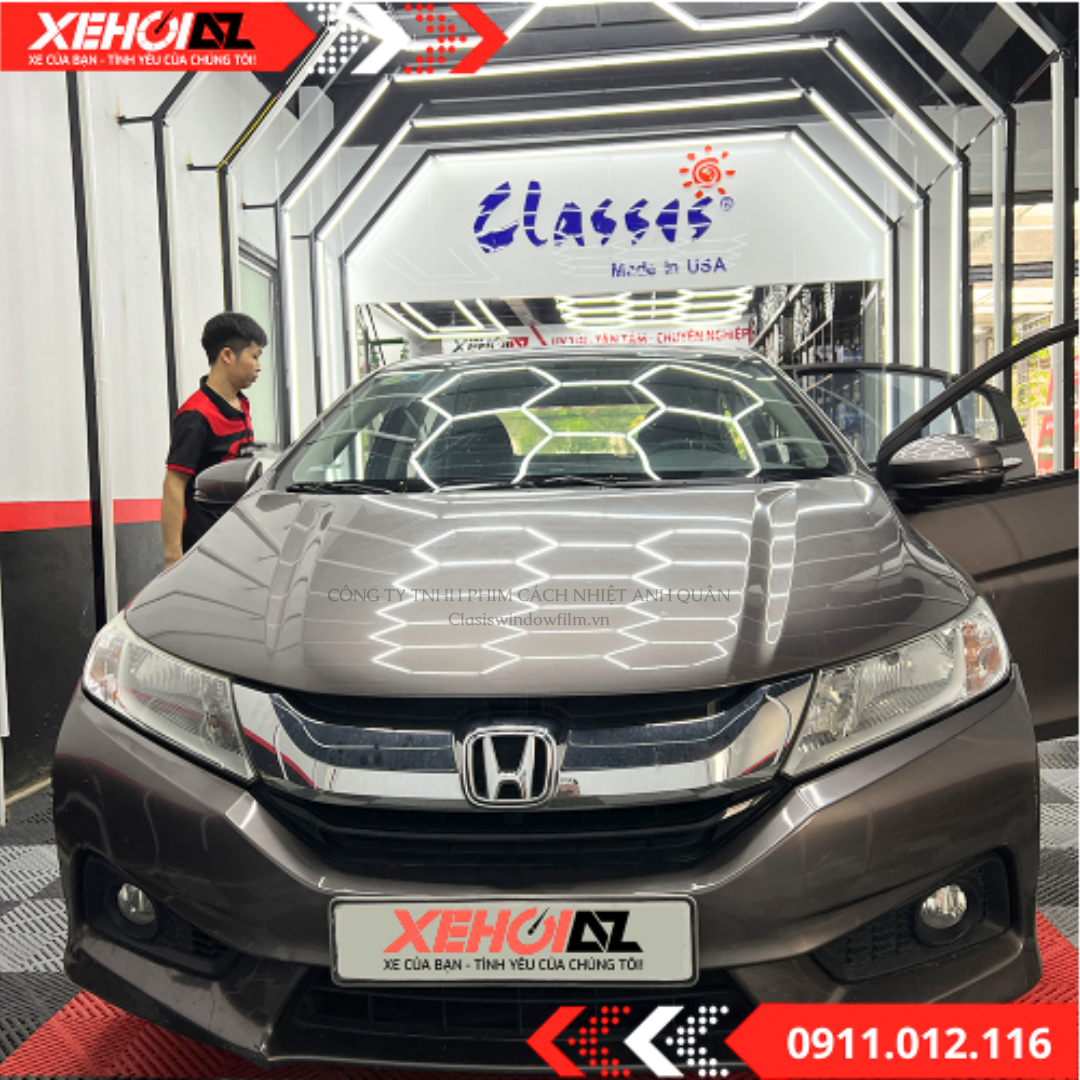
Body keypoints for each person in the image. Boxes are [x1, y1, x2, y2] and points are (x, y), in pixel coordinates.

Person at [162, 312, 266, 566]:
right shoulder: (196, 416)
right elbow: (173, 485)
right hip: (204, 547)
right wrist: (173, 557)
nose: (259, 367)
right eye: (254, 357)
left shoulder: (241, 404)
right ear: (227, 355)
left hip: (236, 539)